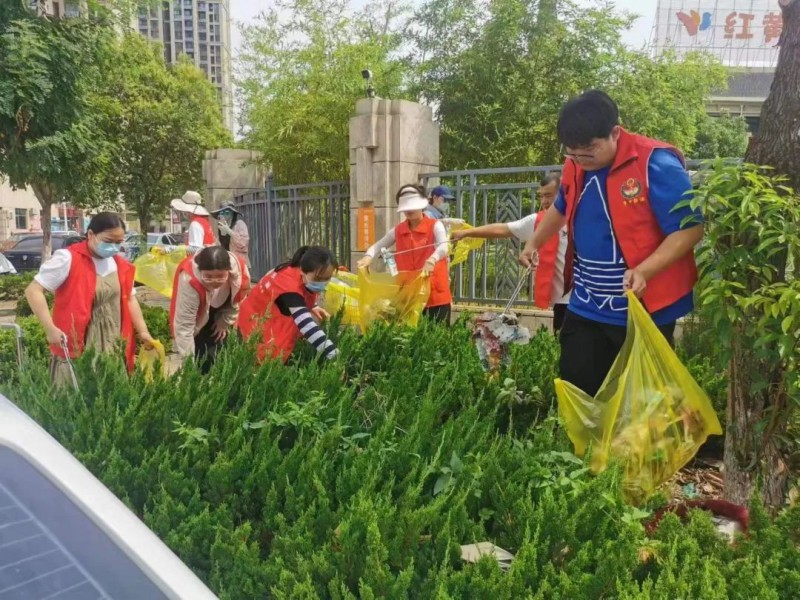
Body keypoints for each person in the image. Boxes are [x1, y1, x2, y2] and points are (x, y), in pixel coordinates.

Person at [519, 90, 703, 397]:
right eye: (572, 152)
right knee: (578, 387)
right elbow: (561, 207)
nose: (580, 159)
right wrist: (533, 243)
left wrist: (644, 270)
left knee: (643, 397)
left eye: (589, 150)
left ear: (615, 132)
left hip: (644, 307)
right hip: (587, 303)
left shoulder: (655, 163)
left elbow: (690, 229)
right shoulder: (575, 164)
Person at [24, 212, 154, 385]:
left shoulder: (120, 265)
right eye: (108, 241)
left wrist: (143, 331)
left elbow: (130, 299)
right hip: (78, 341)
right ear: (91, 234)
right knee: (76, 391)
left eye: (118, 242)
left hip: (113, 341)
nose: (114, 247)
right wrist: (50, 329)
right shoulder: (68, 258)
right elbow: (33, 291)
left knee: (111, 391)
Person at [451, 173, 570, 332]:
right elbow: (503, 229)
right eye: (541, 196)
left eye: (548, 196)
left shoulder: (579, 218)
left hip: (587, 298)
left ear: (563, 194)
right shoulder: (538, 221)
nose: (544, 202)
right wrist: (467, 233)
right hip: (563, 303)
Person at [357, 184, 452, 324]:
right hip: (408, 296)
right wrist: (368, 256)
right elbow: (378, 246)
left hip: (435, 295)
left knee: (438, 334)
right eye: (406, 207)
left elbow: (444, 246)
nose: (408, 210)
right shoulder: (398, 230)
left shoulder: (435, 225)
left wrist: (432, 259)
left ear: (422, 205)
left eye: (412, 206)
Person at [236, 246, 339, 364]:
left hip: (269, 320)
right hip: (254, 326)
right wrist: (334, 355)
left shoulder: (296, 270)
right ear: (303, 270)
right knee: (262, 364)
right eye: (318, 278)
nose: (322, 283)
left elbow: (300, 294)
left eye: (327, 278)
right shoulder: (289, 286)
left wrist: (313, 306)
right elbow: (307, 326)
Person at [170, 246, 250, 373]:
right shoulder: (189, 279)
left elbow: (239, 297)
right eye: (208, 276)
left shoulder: (238, 269)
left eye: (220, 276)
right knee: (200, 359)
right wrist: (189, 366)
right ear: (200, 271)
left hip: (222, 310)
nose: (214, 281)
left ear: (228, 271)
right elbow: (184, 327)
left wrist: (225, 321)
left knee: (225, 356)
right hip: (198, 315)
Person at [211, 202, 250, 269]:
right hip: (226, 263)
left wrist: (229, 231)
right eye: (221, 213)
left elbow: (243, 243)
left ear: (232, 213)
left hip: (239, 264)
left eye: (227, 212)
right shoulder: (221, 226)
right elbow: (220, 245)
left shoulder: (240, 224)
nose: (224, 215)